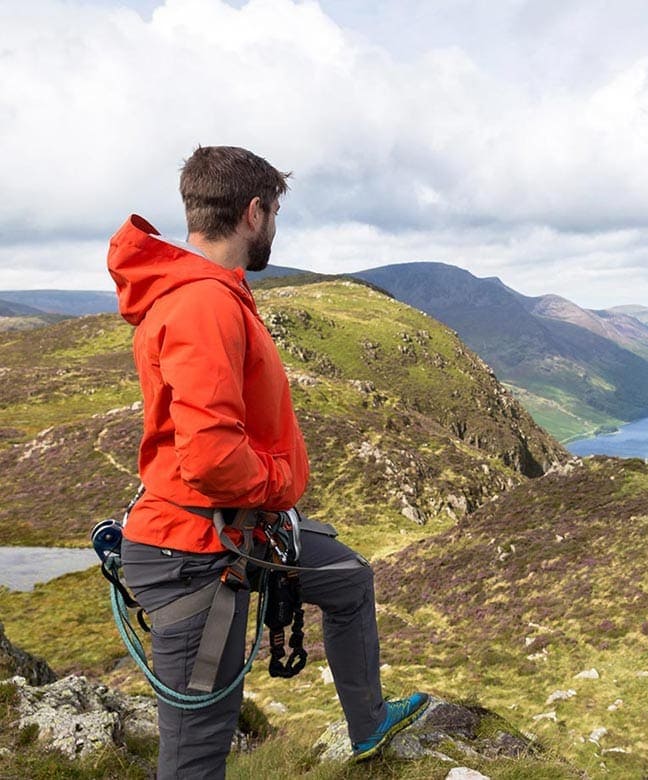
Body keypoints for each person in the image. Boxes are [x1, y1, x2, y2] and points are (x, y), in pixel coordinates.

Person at [106, 145, 427, 778]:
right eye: (275, 211)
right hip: (197, 552)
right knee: (197, 751)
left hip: (237, 530)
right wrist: (281, 483)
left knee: (348, 579)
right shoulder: (203, 304)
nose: (275, 226)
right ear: (254, 212)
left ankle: (368, 725)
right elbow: (208, 453)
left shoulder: (212, 294)